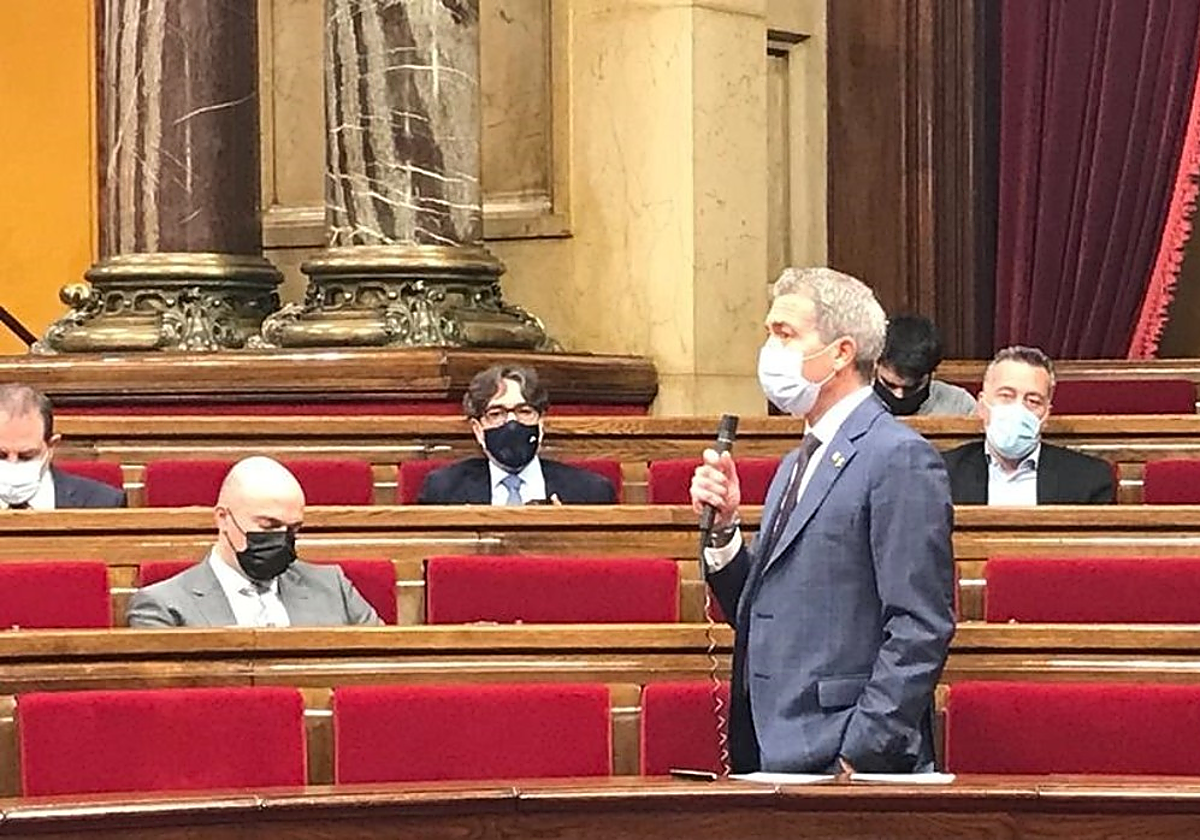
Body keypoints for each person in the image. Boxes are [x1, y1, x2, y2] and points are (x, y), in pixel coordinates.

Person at [690, 267, 955, 775]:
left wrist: (859, 753)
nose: (771, 348)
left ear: (840, 353)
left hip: (844, 762)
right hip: (775, 746)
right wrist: (724, 529)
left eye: (785, 334)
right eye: (769, 332)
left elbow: (920, 624)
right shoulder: (798, 461)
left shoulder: (898, 457)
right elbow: (764, 609)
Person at [127, 456, 381, 627]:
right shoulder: (163, 605)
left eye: (292, 529)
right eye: (268, 526)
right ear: (223, 519)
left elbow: (382, 668)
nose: (282, 539)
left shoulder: (333, 588)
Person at [418, 364, 616, 505]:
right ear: (478, 430)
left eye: (524, 412)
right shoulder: (443, 490)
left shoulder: (591, 492)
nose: (512, 423)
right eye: (497, 414)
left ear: (541, 423)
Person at [941, 346, 1114, 505]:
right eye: (1006, 396)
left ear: (1046, 415)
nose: (1018, 409)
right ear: (982, 406)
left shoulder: (1089, 478)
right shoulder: (942, 474)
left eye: (1033, 401)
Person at [0, 383, 126, 510]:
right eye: (1, 455)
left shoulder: (104, 502)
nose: (12, 464)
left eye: (26, 456)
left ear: (51, 446)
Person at [874, 315, 976, 416]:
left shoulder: (959, 405)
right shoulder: (859, 403)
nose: (899, 396)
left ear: (932, 373)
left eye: (913, 388)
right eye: (889, 384)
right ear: (875, 365)